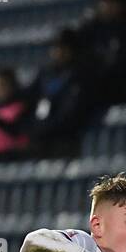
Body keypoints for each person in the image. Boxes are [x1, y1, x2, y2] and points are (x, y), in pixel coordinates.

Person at [17, 28, 101, 158]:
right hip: (40, 140)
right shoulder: (46, 73)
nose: (58, 52)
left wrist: (45, 129)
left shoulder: (80, 75)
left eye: (62, 48)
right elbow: (28, 96)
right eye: (55, 48)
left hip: (64, 141)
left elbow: (71, 113)